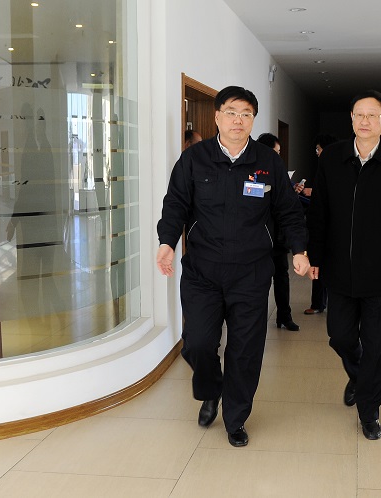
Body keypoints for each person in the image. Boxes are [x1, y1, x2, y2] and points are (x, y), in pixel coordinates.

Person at [156, 86, 310, 447]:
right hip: (202, 270)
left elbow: (288, 210)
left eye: (245, 114)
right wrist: (166, 242)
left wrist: (299, 250)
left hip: (251, 271)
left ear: (253, 119)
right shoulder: (194, 159)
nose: (237, 120)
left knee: (245, 349)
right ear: (217, 117)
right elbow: (175, 204)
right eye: (230, 112)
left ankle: (236, 418)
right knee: (198, 343)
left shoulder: (267, 162)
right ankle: (211, 390)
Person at [306, 90, 381, 440]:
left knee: (377, 345)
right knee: (340, 336)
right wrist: (315, 256)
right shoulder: (332, 157)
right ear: (351, 118)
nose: (365, 121)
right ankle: (360, 376)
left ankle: (369, 409)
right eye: (359, 114)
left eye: (372, 115)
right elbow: (319, 211)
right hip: (339, 270)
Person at [257, 132, 300, 332]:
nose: (278, 156)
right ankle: (257, 320)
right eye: (276, 152)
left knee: (281, 276)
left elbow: (286, 204)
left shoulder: (278, 170)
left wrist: (292, 191)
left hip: (278, 236)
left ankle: (284, 316)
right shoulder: (253, 169)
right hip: (259, 237)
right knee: (260, 281)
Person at [296, 133, 337, 315]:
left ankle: (324, 302)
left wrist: (313, 192)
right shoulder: (324, 165)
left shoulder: (338, 166)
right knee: (317, 261)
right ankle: (318, 303)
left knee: (327, 263)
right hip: (320, 224)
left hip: (332, 225)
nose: (317, 152)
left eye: (318, 149)